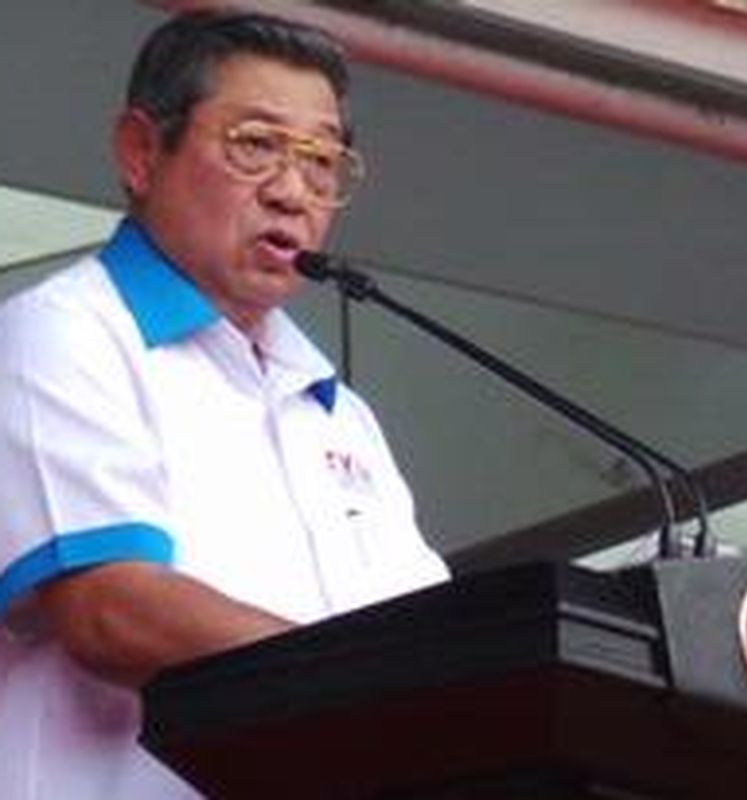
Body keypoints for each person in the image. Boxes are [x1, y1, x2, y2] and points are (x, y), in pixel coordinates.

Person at [0, 10, 448, 798]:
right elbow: (112, 609)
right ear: (141, 152)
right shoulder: (64, 332)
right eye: (256, 145)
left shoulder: (338, 414)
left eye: (321, 161)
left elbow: (430, 641)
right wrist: (382, 686)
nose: (291, 191)